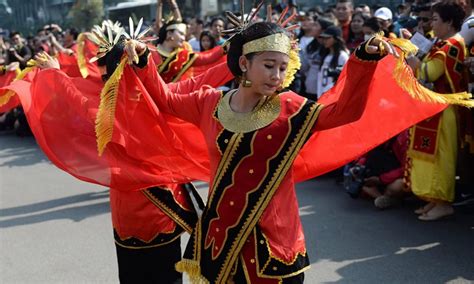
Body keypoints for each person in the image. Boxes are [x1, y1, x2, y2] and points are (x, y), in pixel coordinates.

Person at [125, 16, 423, 283]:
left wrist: (364, 60)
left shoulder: (290, 108)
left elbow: (346, 112)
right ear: (244, 64)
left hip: (274, 242)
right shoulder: (208, 103)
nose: (277, 76)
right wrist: (142, 61)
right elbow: (163, 99)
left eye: (282, 67)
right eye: (269, 66)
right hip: (221, 236)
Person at [406, 1, 468, 221]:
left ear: (449, 22)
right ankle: (433, 198)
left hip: (445, 110)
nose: (431, 24)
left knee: (442, 158)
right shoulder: (443, 42)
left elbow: (429, 73)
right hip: (435, 108)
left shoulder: (452, 44)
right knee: (431, 156)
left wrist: (414, 62)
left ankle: (444, 202)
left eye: (435, 20)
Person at [316, 25, 350, 97]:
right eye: (323, 38)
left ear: (336, 39)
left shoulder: (342, 56)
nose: (324, 41)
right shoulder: (325, 55)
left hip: (333, 96)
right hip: (322, 95)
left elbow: (343, 78)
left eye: (327, 38)